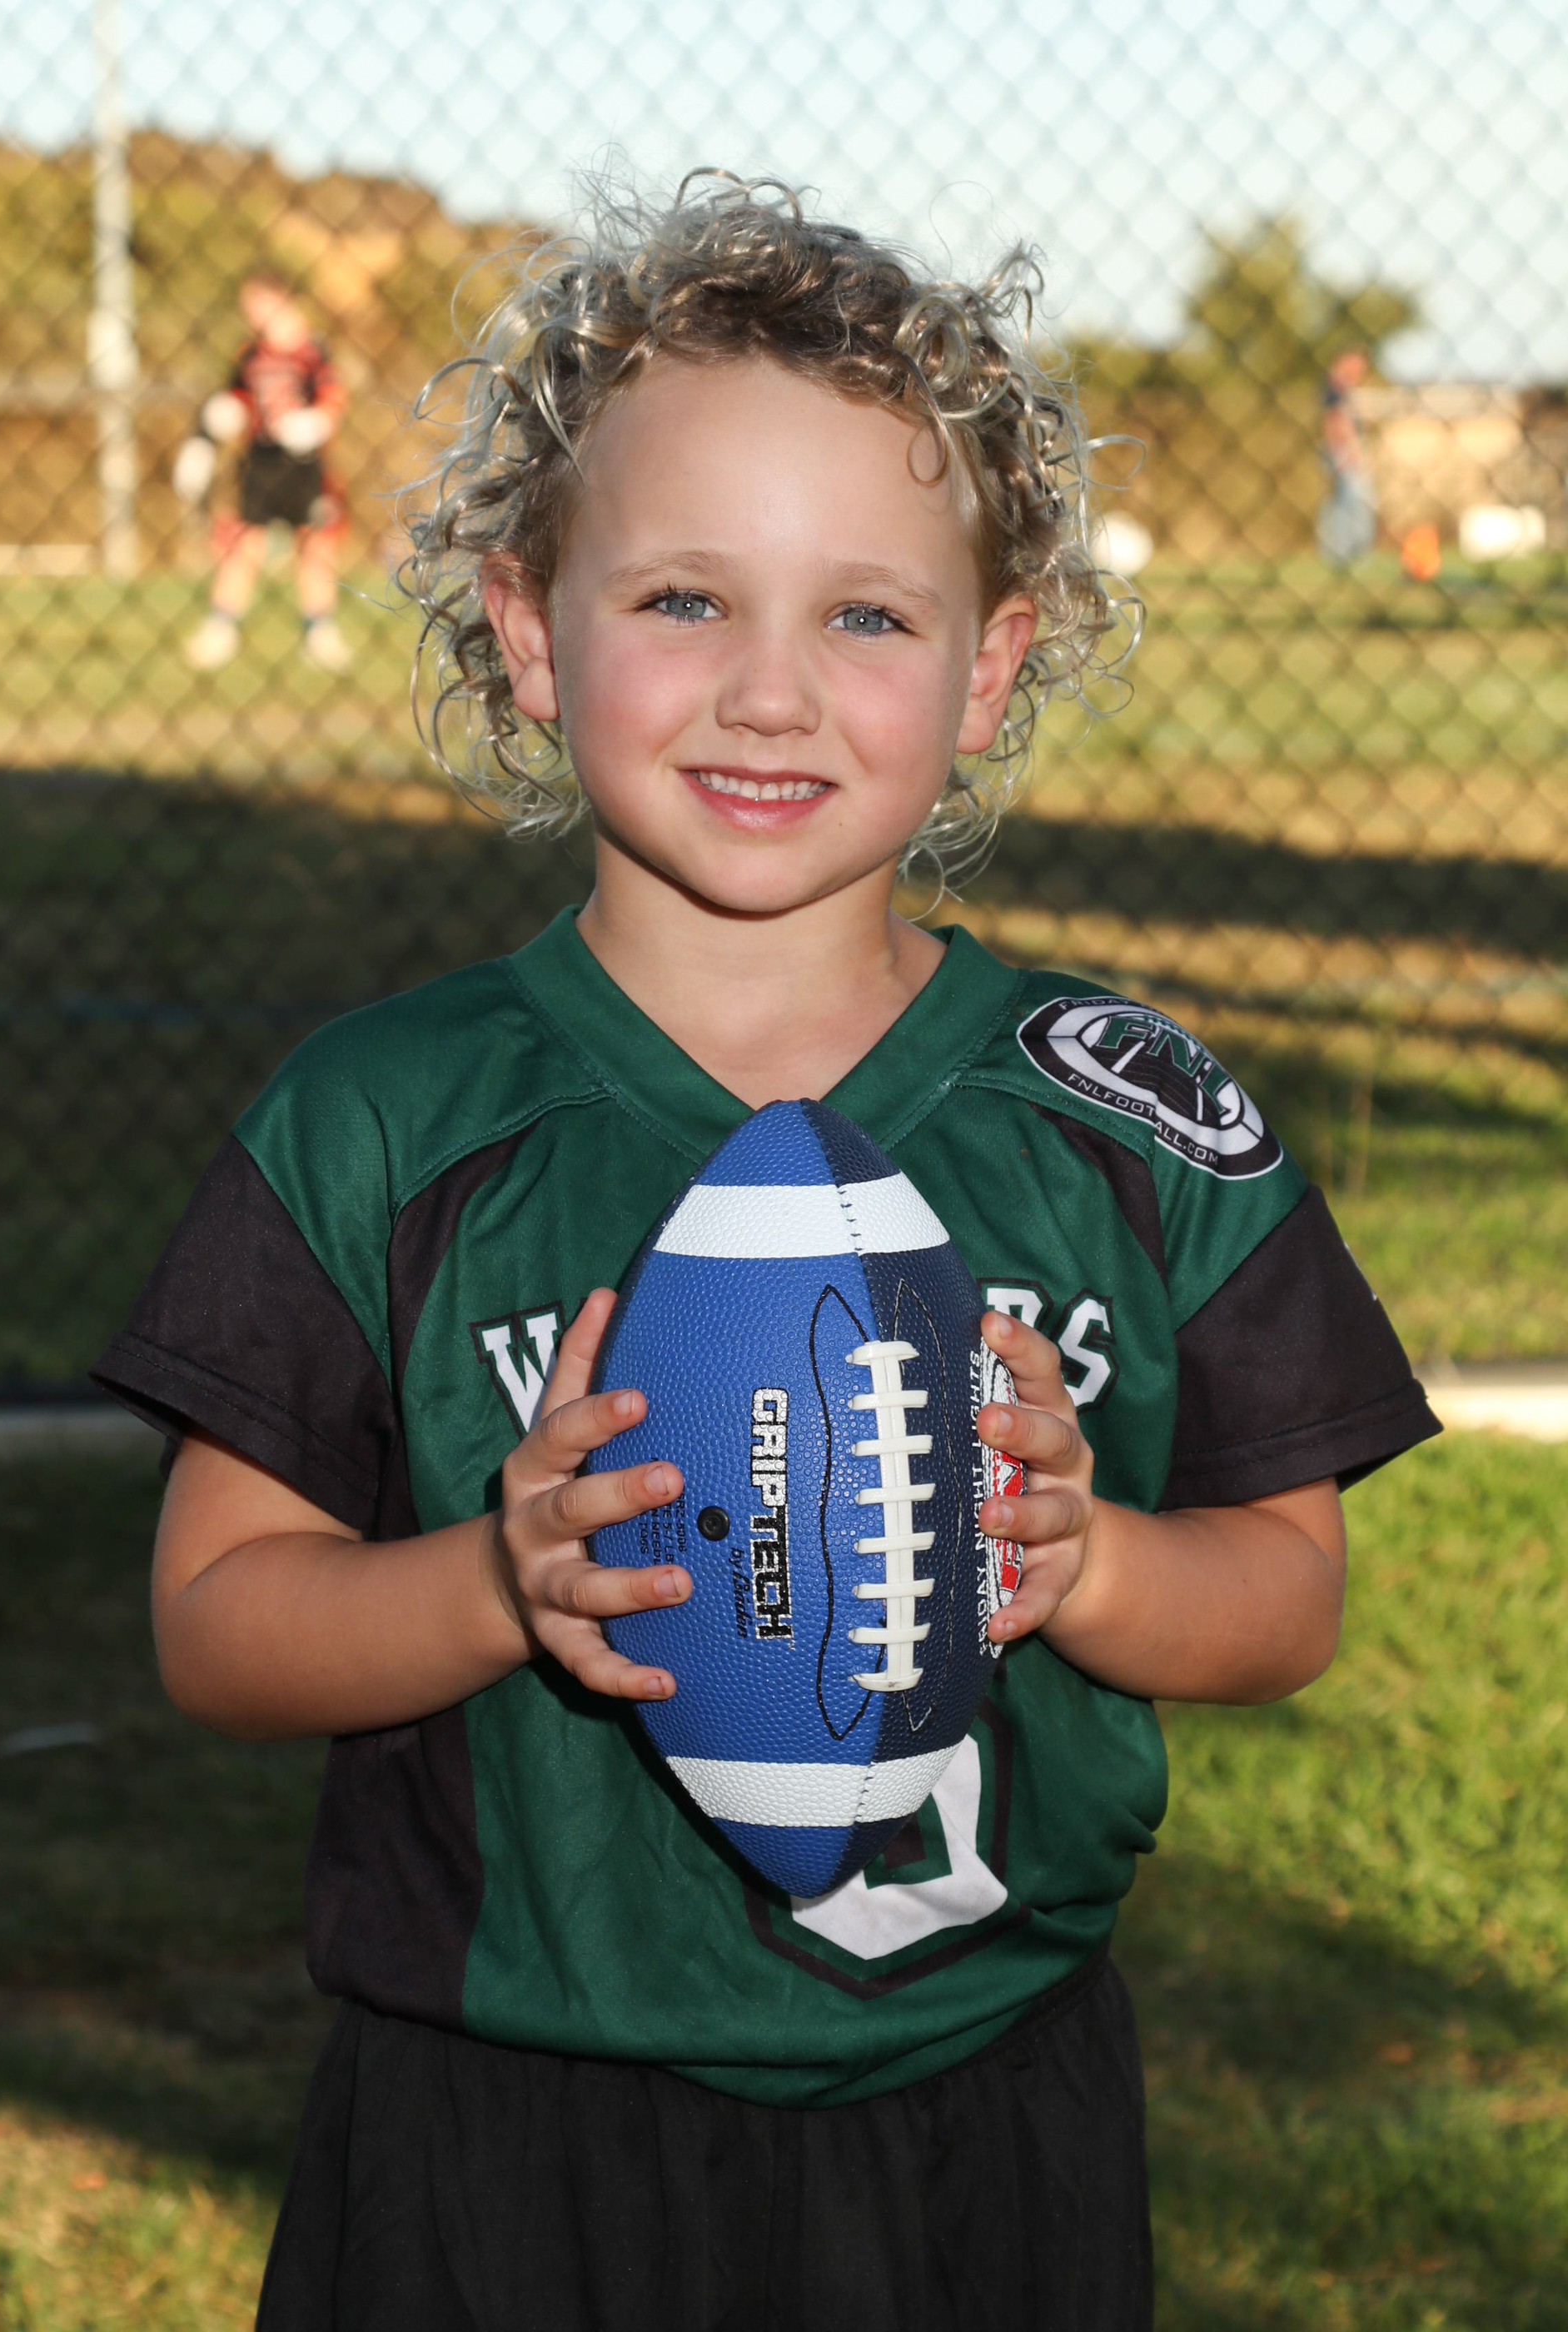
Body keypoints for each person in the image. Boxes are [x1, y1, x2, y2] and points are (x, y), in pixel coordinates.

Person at [95, 177, 1438, 2330]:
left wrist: (1091, 1560)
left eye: (868, 618)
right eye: (684, 599)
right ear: (532, 629)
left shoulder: (1121, 1112)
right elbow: (216, 1625)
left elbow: (1287, 1595)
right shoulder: (384, 1117)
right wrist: (494, 1582)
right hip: (503, 2126)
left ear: (993, 665)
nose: (770, 693)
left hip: (989, 2114)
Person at [172, 268, 351, 670]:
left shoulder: (312, 350)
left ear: (280, 299)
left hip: (306, 465)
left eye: (255, 304)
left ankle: (320, 630)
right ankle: (221, 627)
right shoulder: (251, 354)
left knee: (315, 546)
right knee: (242, 543)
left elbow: (334, 398)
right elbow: (232, 400)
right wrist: (204, 439)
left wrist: (315, 422)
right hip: (260, 461)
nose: (250, 314)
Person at [1317, 347, 1377, 566]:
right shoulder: (1336, 387)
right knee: (1356, 500)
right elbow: (1336, 421)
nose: (1360, 371)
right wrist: (1351, 451)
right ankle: (1351, 551)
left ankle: (1342, 551)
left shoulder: (1343, 389)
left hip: (1344, 449)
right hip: (1344, 450)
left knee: (1343, 502)